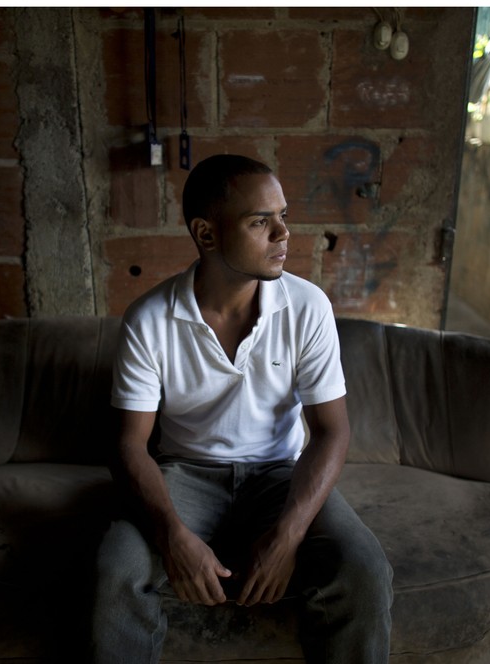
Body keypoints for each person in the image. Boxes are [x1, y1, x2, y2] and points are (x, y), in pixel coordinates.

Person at [90, 154, 393, 663]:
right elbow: (128, 445)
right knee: (116, 568)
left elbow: (331, 431)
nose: (283, 235)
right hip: (185, 474)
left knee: (364, 570)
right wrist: (171, 536)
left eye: (284, 217)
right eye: (260, 221)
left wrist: (288, 535)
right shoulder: (149, 318)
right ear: (206, 235)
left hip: (278, 475)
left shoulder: (308, 306)